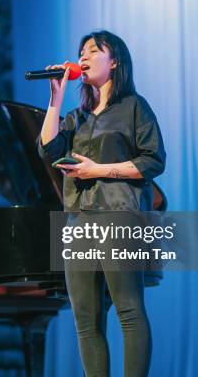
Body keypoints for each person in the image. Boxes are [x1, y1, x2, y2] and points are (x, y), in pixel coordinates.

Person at [38, 30, 166, 376]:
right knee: (85, 319)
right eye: (81, 51)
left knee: (128, 310)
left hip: (119, 215)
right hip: (79, 221)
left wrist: (99, 169)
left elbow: (154, 160)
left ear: (115, 61)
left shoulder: (134, 107)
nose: (84, 55)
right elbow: (48, 149)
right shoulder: (76, 117)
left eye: (94, 50)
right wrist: (55, 99)